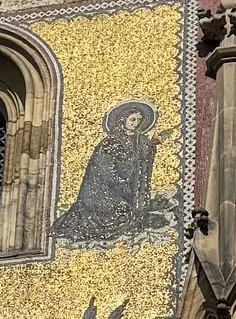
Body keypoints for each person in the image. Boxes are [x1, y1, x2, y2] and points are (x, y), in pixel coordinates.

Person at [56, 101, 167, 239]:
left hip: (126, 191)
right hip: (104, 191)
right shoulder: (110, 142)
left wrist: (154, 143)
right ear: (123, 120)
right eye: (132, 119)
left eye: (139, 120)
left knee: (133, 215)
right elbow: (102, 169)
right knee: (122, 215)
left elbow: (143, 157)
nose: (136, 123)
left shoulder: (141, 140)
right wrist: (121, 182)